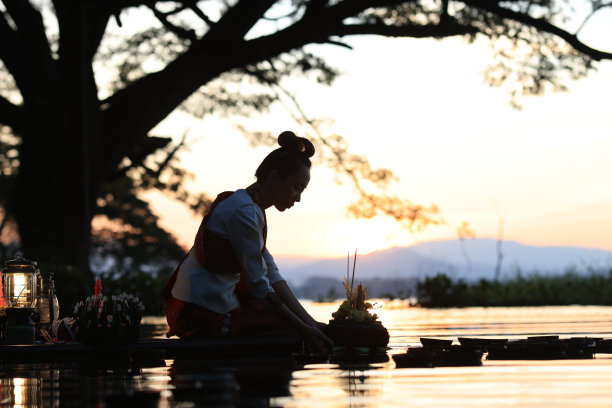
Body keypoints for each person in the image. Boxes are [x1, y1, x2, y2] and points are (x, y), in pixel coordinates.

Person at [162, 131, 333, 353]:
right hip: (199, 313)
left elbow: (271, 273)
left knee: (293, 326)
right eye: (296, 187)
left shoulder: (250, 208)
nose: (298, 197)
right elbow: (260, 286)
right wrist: (304, 329)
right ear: (273, 178)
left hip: (210, 306)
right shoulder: (243, 211)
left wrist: (311, 323)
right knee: (290, 332)